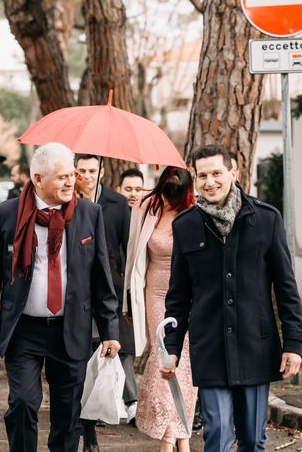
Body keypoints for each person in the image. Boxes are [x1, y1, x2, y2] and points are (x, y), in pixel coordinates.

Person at [0, 142, 120, 452]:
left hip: (71, 327)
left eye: (73, 175)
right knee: (24, 403)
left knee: (68, 415)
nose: (71, 182)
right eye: (62, 177)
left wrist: (110, 332)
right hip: (24, 328)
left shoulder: (89, 214)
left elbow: (101, 277)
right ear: (38, 179)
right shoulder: (5, 214)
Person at [163, 144, 302, 452]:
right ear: (195, 179)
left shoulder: (266, 219)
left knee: (253, 440)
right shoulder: (185, 226)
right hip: (210, 346)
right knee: (217, 435)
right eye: (202, 176)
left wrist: (294, 344)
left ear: (233, 173)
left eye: (216, 173)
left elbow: (286, 288)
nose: (210, 181)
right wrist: (171, 348)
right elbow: (178, 297)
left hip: (256, 345)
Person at [124, 166, 198, 452]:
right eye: (165, 193)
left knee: (186, 367)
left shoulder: (195, 214)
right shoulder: (147, 207)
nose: (168, 201)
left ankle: (178, 437)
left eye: (174, 196)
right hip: (154, 292)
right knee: (164, 359)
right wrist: (127, 299)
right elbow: (133, 251)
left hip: (187, 296)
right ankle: (176, 437)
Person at [74, 154, 136, 446]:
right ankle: (78, 421)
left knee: (97, 362)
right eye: (81, 170)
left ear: (101, 171)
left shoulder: (116, 203)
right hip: (74, 294)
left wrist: (124, 289)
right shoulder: (67, 202)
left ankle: (89, 426)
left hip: (106, 289)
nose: (87, 175)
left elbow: (127, 246)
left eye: (91, 170)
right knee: (75, 365)